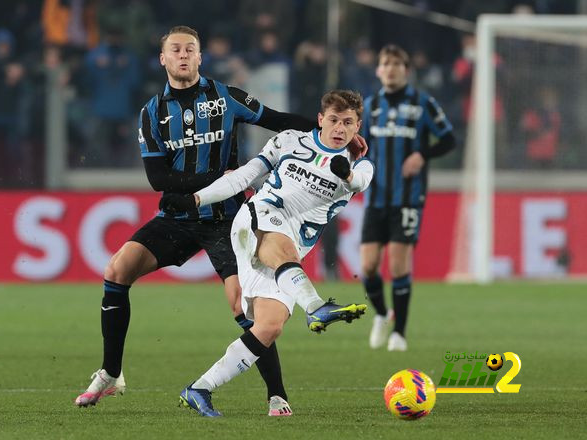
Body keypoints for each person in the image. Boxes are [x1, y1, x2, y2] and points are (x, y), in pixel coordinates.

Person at [74, 25, 366, 415]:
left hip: (227, 218)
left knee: (244, 308)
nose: (182, 55)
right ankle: (111, 373)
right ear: (162, 59)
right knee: (117, 269)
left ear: (199, 57)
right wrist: (224, 178)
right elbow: (159, 180)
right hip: (178, 217)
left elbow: (278, 120)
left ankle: (276, 394)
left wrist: (328, 135)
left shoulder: (225, 97)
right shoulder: (152, 113)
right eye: (175, 49)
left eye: (190, 49)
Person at [161, 89, 372, 417]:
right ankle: (315, 306)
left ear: (357, 126)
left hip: (288, 253)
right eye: (333, 120)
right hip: (258, 218)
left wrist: (345, 171)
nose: (339, 128)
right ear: (320, 120)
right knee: (280, 238)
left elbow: (357, 181)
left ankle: (199, 388)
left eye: (348, 123)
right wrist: (195, 200)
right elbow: (246, 176)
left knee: (269, 326)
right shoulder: (290, 142)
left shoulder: (362, 165)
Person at [360, 45, 455, 351]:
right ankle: (381, 314)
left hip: (408, 197)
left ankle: (399, 333)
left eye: (397, 64)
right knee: (369, 265)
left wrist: (422, 154)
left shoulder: (422, 103)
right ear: (378, 70)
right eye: (385, 63)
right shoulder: (370, 106)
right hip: (376, 197)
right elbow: (359, 147)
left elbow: (449, 138)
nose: (390, 68)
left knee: (399, 266)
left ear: (406, 70)